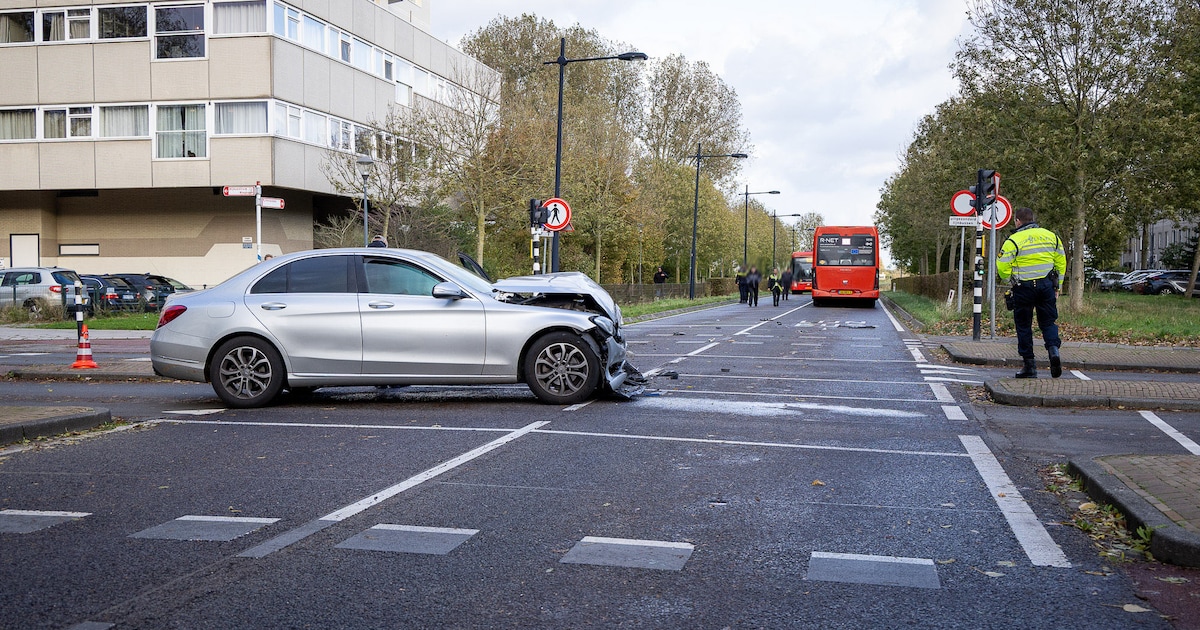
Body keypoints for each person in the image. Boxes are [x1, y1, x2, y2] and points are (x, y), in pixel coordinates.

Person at [997, 207, 1067, 379]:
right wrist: (1057, 286)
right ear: (1033, 219)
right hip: (1046, 286)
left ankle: (1030, 366)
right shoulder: (1052, 236)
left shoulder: (1013, 240)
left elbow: (1002, 266)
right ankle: (1053, 351)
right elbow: (1061, 262)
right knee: (1048, 322)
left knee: (1023, 326)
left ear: (1018, 221)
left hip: (1023, 288)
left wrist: (1010, 280)